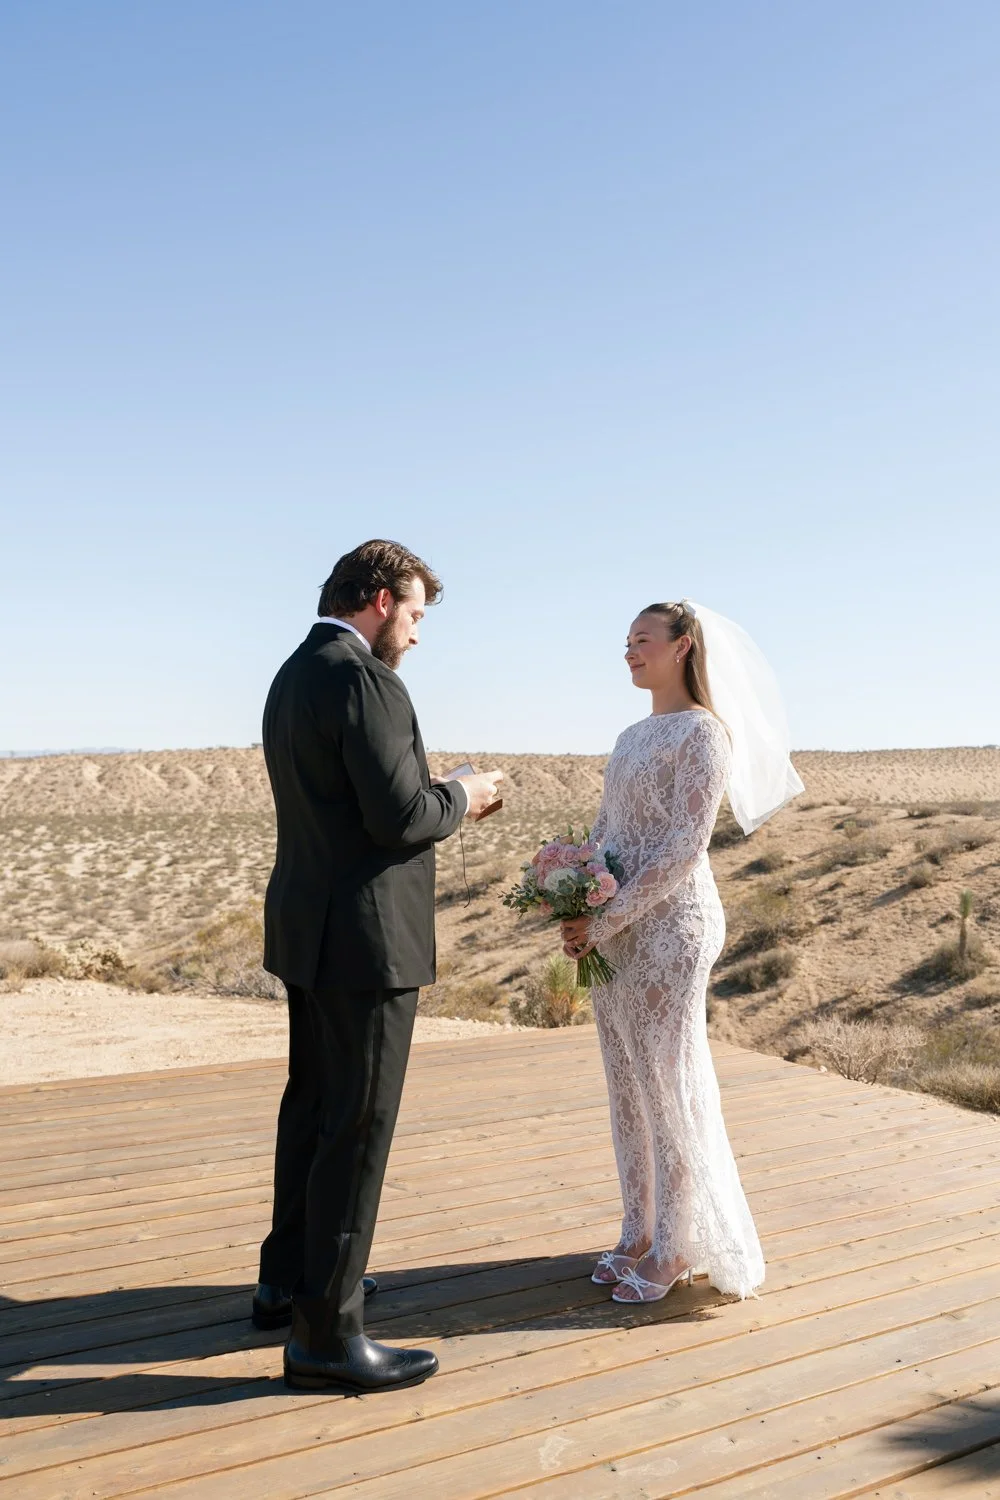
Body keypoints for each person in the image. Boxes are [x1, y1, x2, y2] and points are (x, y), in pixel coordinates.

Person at [254, 538, 503, 1392]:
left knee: (314, 1106)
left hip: (307, 927)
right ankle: (325, 1333)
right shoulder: (365, 679)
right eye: (416, 613)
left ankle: (286, 1281)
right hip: (365, 939)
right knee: (358, 1126)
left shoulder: (293, 672)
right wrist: (468, 793)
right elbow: (400, 818)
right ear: (377, 599)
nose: (418, 635)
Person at [561, 599, 802, 1304]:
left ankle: (679, 1243)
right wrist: (573, 901)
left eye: (643, 640)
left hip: (675, 927)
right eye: (627, 642)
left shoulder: (704, 734)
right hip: (615, 924)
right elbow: (606, 830)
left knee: (667, 1080)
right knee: (626, 1084)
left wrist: (605, 920)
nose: (630, 651)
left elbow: (684, 848)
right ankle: (638, 1227)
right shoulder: (631, 733)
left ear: (683, 645)